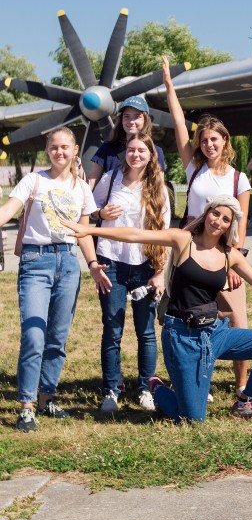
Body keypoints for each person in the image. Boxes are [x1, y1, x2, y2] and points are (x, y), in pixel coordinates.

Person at [64, 195, 252, 422]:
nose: (218, 221)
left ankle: (248, 404)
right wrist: (89, 229)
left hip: (214, 333)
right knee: (193, 418)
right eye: (215, 213)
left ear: (229, 226)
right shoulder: (183, 240)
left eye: (225, 219)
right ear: (207, 213)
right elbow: (136, 234)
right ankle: (158, 389)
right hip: (181, 336)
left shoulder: (229, 254)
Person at [162, 55, 252, 398]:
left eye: (215, 139)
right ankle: (187, 377)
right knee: (182, 318)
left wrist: (235, 264)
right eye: (204, 140)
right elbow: (179, 124)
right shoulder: (193, 170)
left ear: (225, 142)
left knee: (235, 321)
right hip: (190, 255)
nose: (208, 144)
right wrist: (171, 87)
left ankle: (242, 384)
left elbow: (239, 230)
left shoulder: (239, 179)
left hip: (224, 258)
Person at [0, 127, 99, 433]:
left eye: (65, 147)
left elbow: (84, 232)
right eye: (54, 147)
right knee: (33, 334)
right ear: (48, 150)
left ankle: (47, 398)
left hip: (68, 263)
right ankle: (27, 406)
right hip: (35, 261)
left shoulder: (82, 188)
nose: (59, 152)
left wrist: (93, 264)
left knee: (57, 337)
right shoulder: (34, 180)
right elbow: (7, 210)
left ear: (74, 152)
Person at [90, 134, 171, 414]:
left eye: (142, 151)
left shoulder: (157, 185)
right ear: (125, 153)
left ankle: (146, 388)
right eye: (131, 150)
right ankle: (112, 389)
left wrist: (160, 272)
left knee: (146, 332)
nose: (136, 155)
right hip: (111, 261)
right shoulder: (110, 178)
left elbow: (165, 232)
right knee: (112, 330)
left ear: (151, 155)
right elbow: (90, 210)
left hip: (145, 264)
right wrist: (101, 212)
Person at [87, 96, 166, 188]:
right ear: (121, 121)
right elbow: (92, 182)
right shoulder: (107, 149)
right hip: (113, 201)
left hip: (143, 200)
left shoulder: (155, 151)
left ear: (145, 120)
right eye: (126, 116)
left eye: (137, 117)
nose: (131, 121)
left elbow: (159, 186)